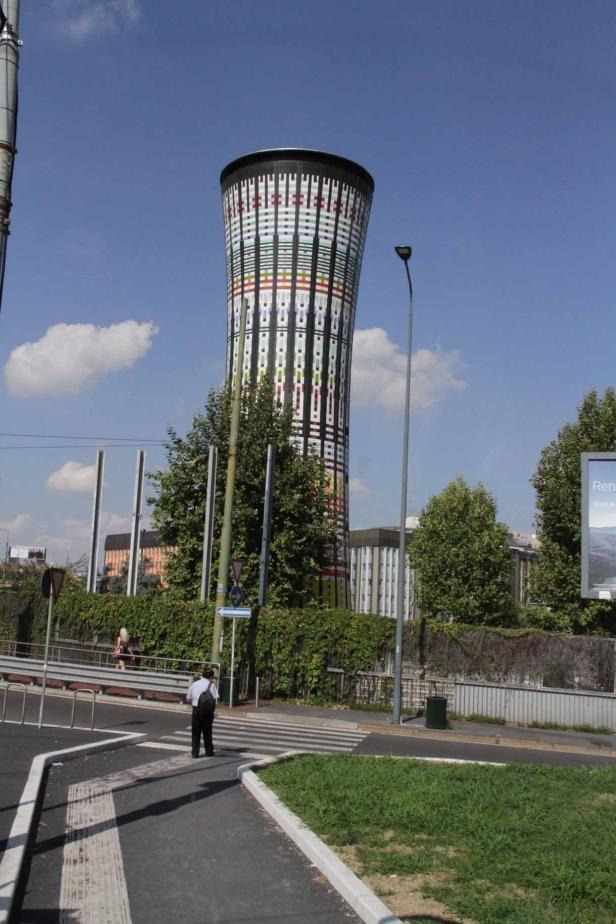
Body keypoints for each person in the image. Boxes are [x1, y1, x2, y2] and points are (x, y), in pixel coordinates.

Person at [186, 667, 219, 758]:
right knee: (207, 732)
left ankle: (195, 752)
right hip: (207, 711)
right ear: (211, 677)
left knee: (196, 732)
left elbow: (188, 698)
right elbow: (215, 699)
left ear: (202, 675)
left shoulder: (195, 684)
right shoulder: (211, 685)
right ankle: (209, 751)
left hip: (196, 710)